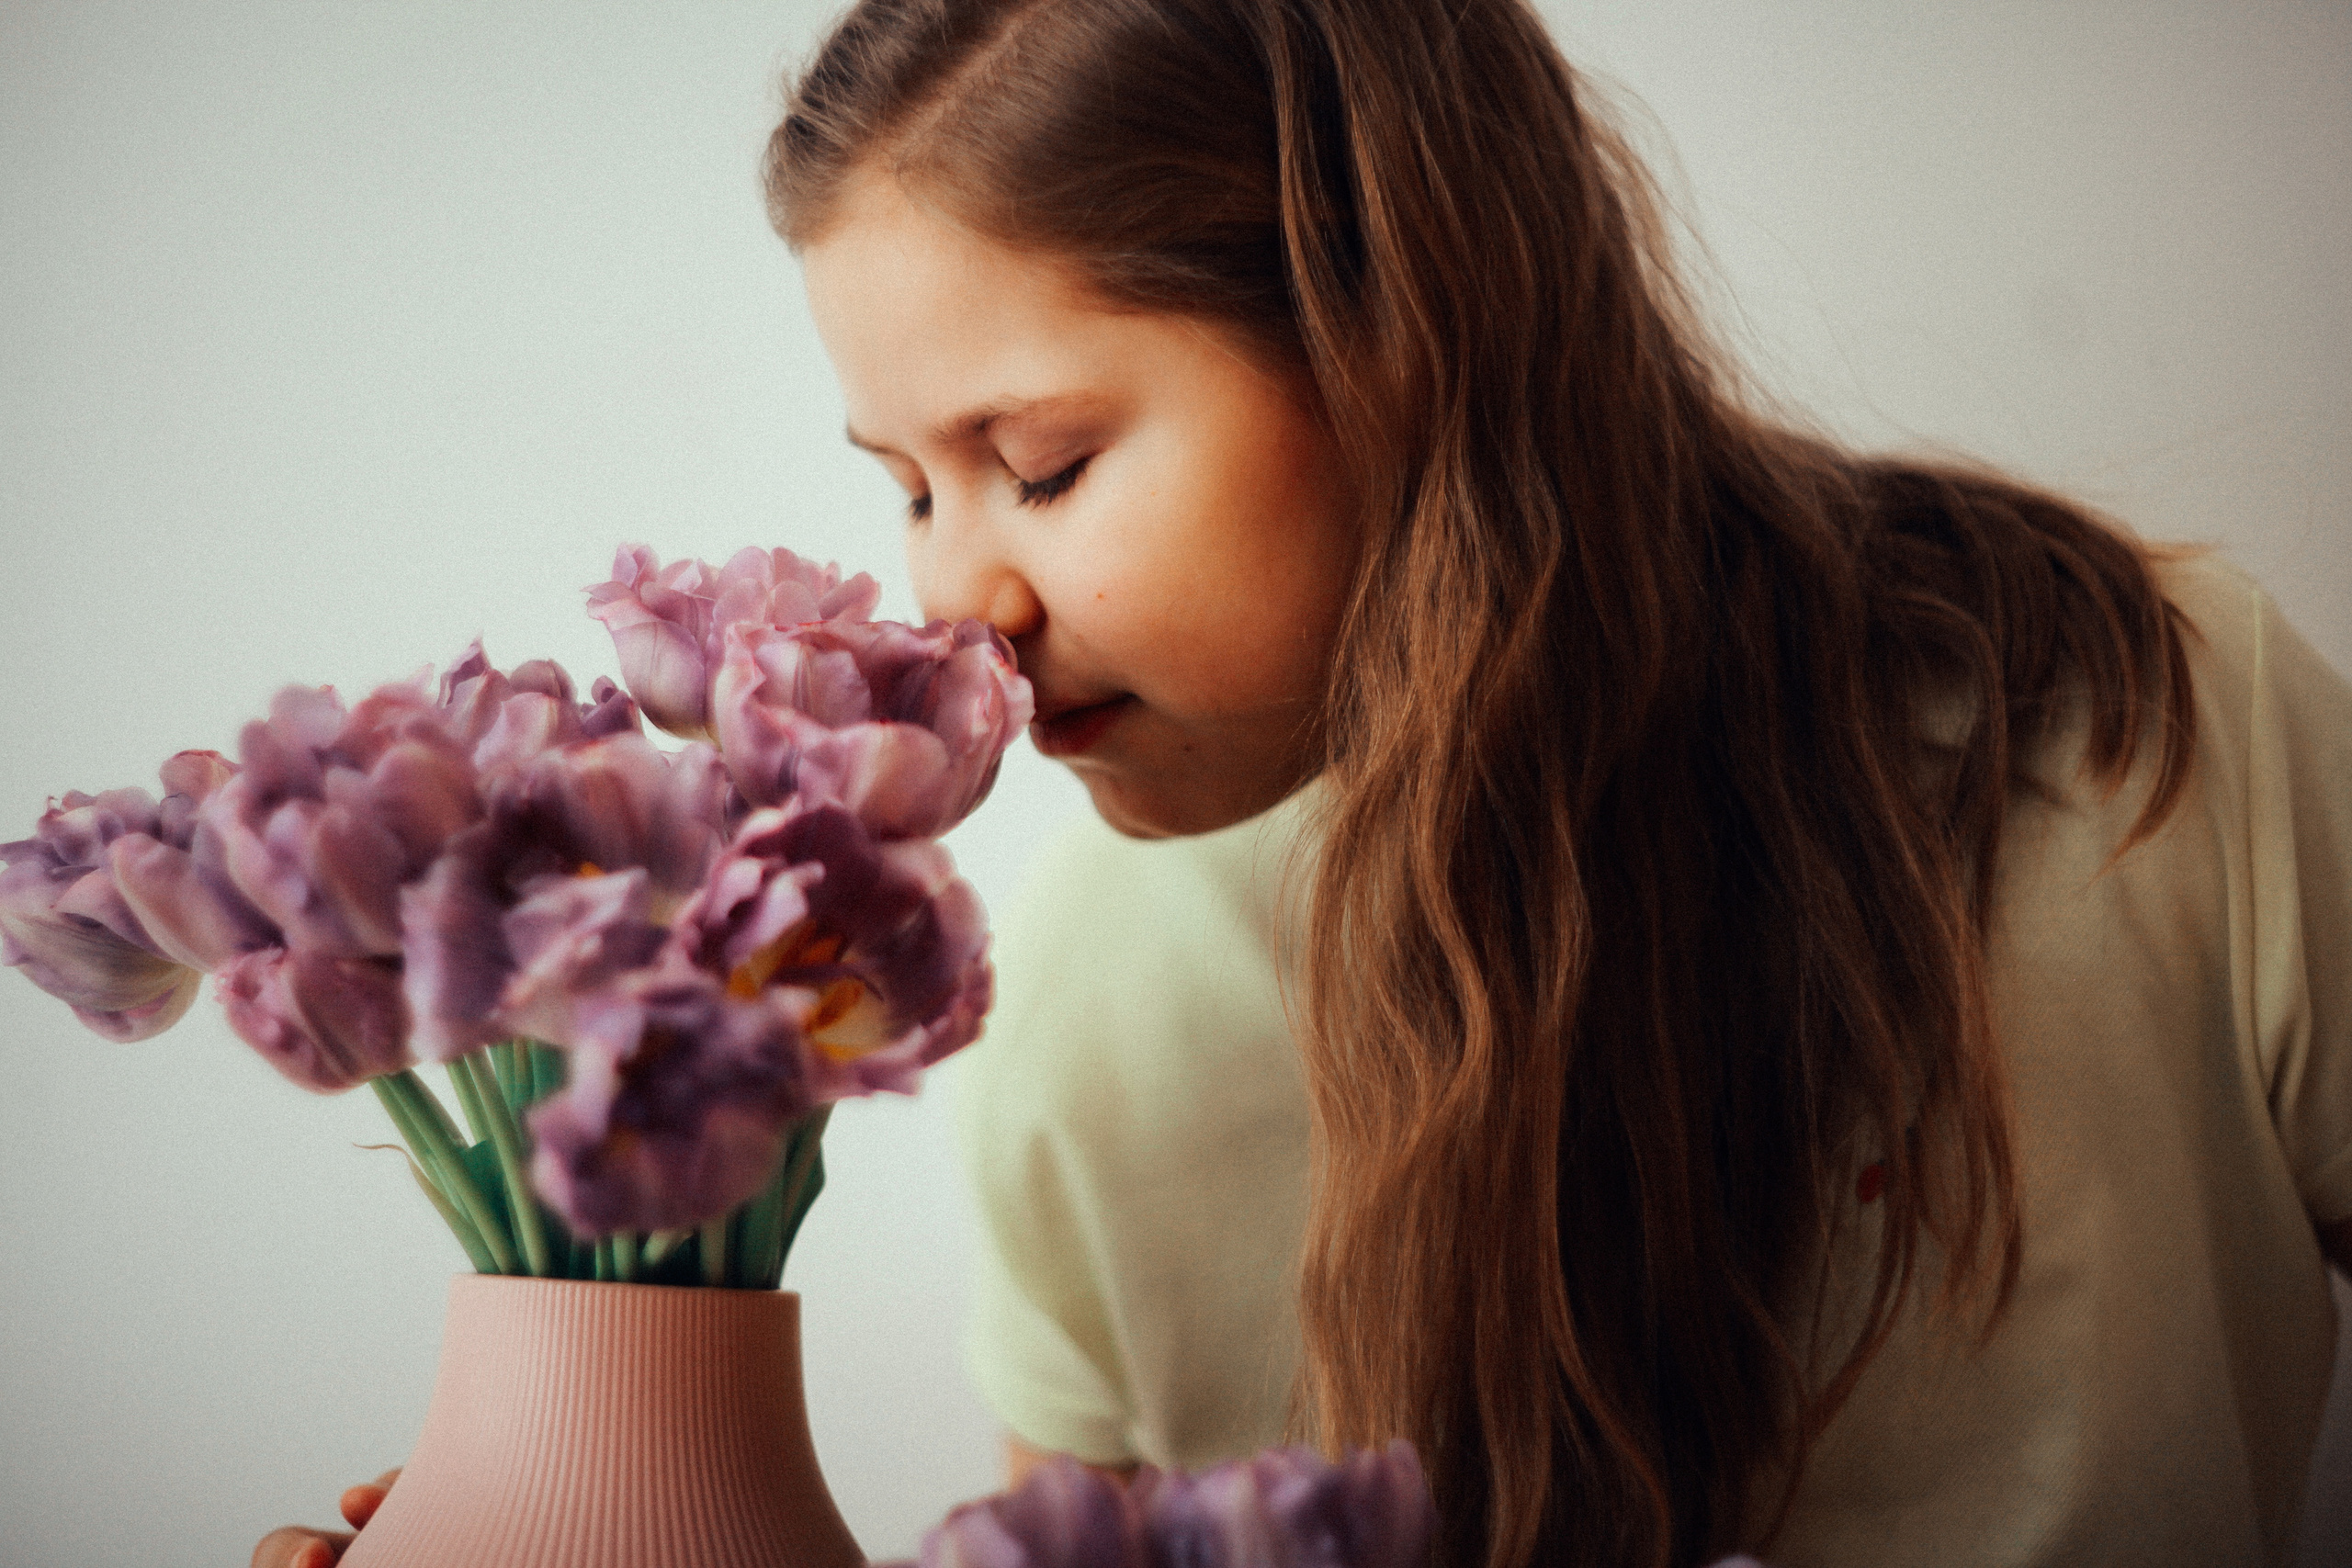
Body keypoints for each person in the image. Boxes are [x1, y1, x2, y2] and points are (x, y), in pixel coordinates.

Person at [257, 1, 2352, 1565]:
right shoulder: (1049, 987)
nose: (951, 594)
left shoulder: (2132, 732)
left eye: (1042, 462)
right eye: (903, 488)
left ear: (1397, 332)